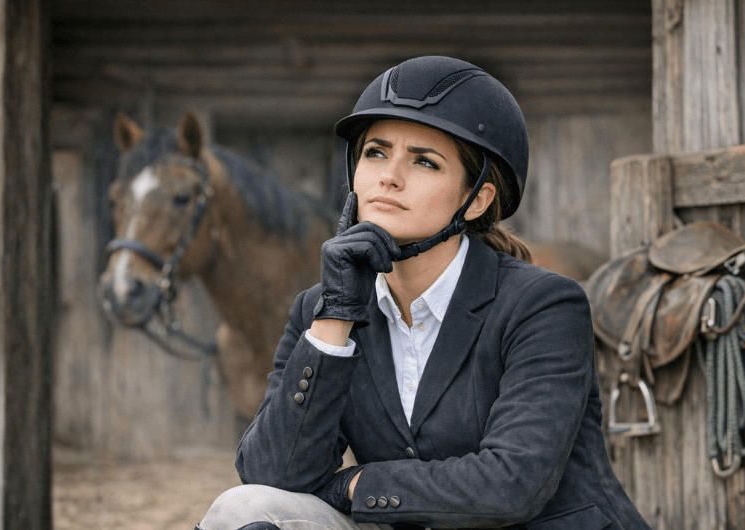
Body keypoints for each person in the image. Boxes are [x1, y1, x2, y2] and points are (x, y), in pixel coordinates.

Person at [197, 56, 650, 530]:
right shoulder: (320, 309)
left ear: (476, 200)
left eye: (424, 161)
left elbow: (511, 486)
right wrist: (337, 316)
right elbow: (271, 476)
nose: (388, 176)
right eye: (375, 152)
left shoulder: (545, 305)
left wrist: (356, 485)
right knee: (241, 511)